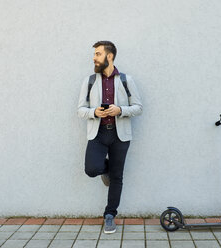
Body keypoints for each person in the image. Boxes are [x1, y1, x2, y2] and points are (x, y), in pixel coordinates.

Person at [77, 41, 143, 234]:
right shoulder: (89, 81)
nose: (94, 57)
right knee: (92, 169)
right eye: (94, 54)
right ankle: (105, 169)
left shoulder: (126, 80)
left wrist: (120, 110)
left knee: (117, 177)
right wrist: (94, 112)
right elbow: (80, 110)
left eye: (98, 54)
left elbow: (139, 107)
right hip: (98, 134)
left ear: (110, 56)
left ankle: (109, 215)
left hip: (120, 135)